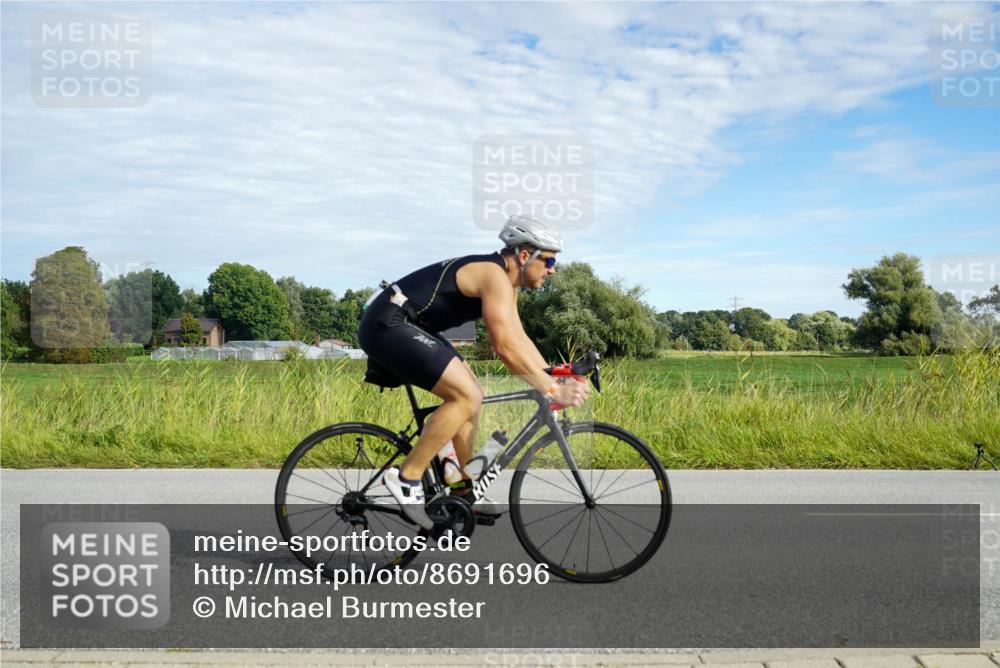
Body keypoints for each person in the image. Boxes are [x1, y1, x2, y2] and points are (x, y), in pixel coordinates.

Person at [357, 215, 591, 529]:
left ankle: (460, 487)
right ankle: (406, 477)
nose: (552, 269)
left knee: (472, 395)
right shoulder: (493, 276)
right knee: (466, 396)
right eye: (548, 261)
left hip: (413, 325)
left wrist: (555, 375)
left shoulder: (507, 285)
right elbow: (505, 349)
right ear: (525, 255)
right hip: (387, 324)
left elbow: (519, 339)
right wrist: (552, 390)